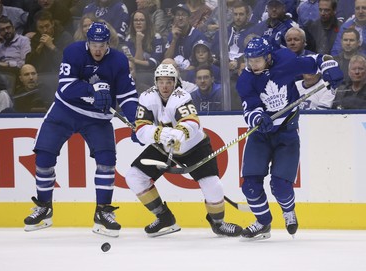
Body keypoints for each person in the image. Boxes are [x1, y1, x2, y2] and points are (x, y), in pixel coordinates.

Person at [23, 22, 141, 237]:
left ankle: (103, 211)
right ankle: (44, 206)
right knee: (44, 155)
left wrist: (136, 121)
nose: (97, 49)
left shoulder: (119, 60)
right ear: (88, 42)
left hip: (97, 118)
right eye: (94, 44)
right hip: (65, 110)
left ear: (108, 43)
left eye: (102, 45)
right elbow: (65, 87)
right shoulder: (73, 51)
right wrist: (93, 89)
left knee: (106, 161)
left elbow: (127, 96)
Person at [236, 37, 343, 240]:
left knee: (281, 186)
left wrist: (331, 67)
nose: (253, 64)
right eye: (250, 60)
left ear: (268, 57)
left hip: (287, 133)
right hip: (260, 135)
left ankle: (288, 210)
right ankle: (262, 223)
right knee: (249, 185)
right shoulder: (246, 79)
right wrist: (258, 118)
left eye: (257, 60)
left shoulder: (286, 60)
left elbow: (320, 59)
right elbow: (249, 108)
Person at [125, 63, 243, 237]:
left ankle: (218, 223)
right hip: (163, 147)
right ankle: (164, 218)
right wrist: (160, 134)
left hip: (195, 146)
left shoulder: (182, 96)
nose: (165, 86)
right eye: (161, 81)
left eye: (169, 81)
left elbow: (192, 122)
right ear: (156, 82)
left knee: (213, 185)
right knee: (134, 176)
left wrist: (180, 133)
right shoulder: (147, 97)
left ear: (176, 82)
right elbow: (141, 130)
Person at [164, 4, 207, 71]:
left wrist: (182, 73)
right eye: (178, 15)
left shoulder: (198, 36)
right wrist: (174, 40)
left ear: (189, 18)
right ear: (174, 18)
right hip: (174, 72)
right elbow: (166, 58)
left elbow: (200, 63)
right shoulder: (172, 34)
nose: (180, 18)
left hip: (193, 73)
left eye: (183, 15)